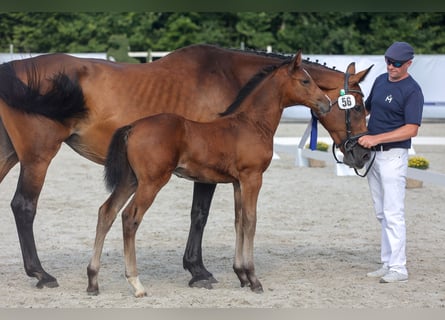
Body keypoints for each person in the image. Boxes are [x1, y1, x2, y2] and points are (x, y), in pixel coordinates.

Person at [358, 41, 424, 283]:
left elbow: (411, 129)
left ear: (408, 64)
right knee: (380, 212)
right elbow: (365, 110)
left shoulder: (412, 90)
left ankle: (399, 268)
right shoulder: (380, 80)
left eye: (396, 63)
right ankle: (387, 262)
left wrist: (375, 138)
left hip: (393, 156)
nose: (391, 66)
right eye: (388, 61)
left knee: (393, 213)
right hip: (373, 156)